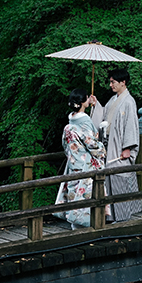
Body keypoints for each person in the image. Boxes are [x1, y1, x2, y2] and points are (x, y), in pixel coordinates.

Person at [53, 88, 107, 228]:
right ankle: (86, 227)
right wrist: (102, 148)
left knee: (73, 193)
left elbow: (66, 144)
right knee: (86, 196)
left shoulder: (70, 123)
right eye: (87, 98)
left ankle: (73, 226)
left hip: (73, 162)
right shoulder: (84, 121)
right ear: (83, 102)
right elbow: (92, 143)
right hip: (85, 164)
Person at [101, 68, 142, 222]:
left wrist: (128, 147)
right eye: (110, 82)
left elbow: (131, 125)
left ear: (123, 82)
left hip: (120, 147)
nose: (111, 85)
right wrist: (94, 104)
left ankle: (124, 215)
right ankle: (110, 214)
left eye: (113, 82)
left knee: (121, 179)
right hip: (110, 144)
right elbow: (103, 115)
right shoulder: (113, 100)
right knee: (109, 179)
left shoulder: (129, 102)